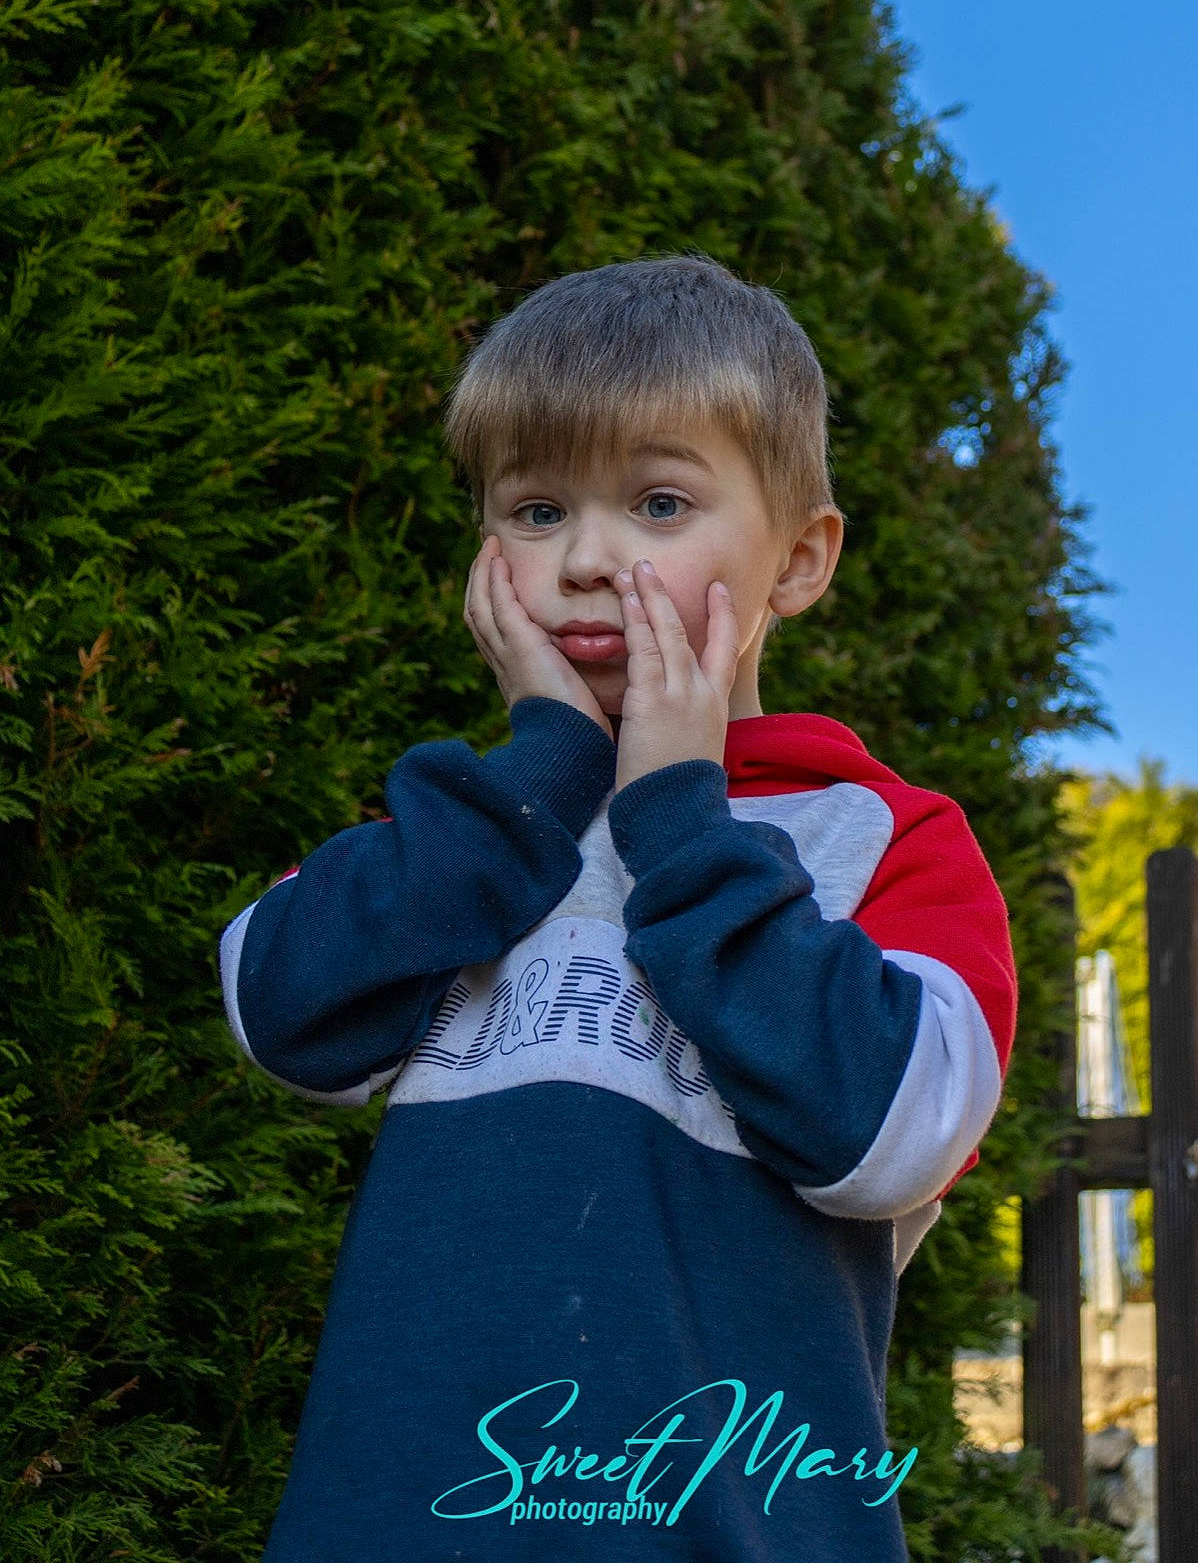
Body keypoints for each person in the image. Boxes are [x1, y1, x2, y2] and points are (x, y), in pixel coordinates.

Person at [218, 252, 1018, 1561]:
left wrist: (676, 814)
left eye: (658, 501)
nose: (587, 560)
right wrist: (542, 769)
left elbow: (893, 1134)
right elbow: (276, 1005)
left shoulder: (880, 838)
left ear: (798, 561)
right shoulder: (473, 842)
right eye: (534, 511)